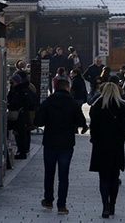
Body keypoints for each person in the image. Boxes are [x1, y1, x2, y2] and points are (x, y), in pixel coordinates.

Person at [34, 78, 88, 215]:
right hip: (66, 143)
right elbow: (81, 121)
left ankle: (48, 200)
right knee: (64, 175)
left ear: (56, 87)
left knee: (49, 173)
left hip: (50, 141)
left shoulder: (47, 102)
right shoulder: (72, 103)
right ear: (67, 88)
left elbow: (38, 121)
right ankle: (62, 205)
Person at [88, 82, 125, 218]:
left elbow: (93, 127)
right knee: (114, 177)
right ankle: (112, 205)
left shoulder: (97, 105)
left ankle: (105, 204)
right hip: (116, 146)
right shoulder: (122, 106)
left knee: (103, 178)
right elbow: (124, 128)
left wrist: (94, 139)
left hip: (101, 146)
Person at [7, 72, 35, 159]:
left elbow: (16, 102)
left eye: (13, 81)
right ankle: (22, 150)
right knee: (19, 134)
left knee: (21, 134)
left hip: (21, 116)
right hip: (20, 116)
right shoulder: (16, 90)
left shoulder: (21, 91)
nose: (12, 83)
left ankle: (22, 151)